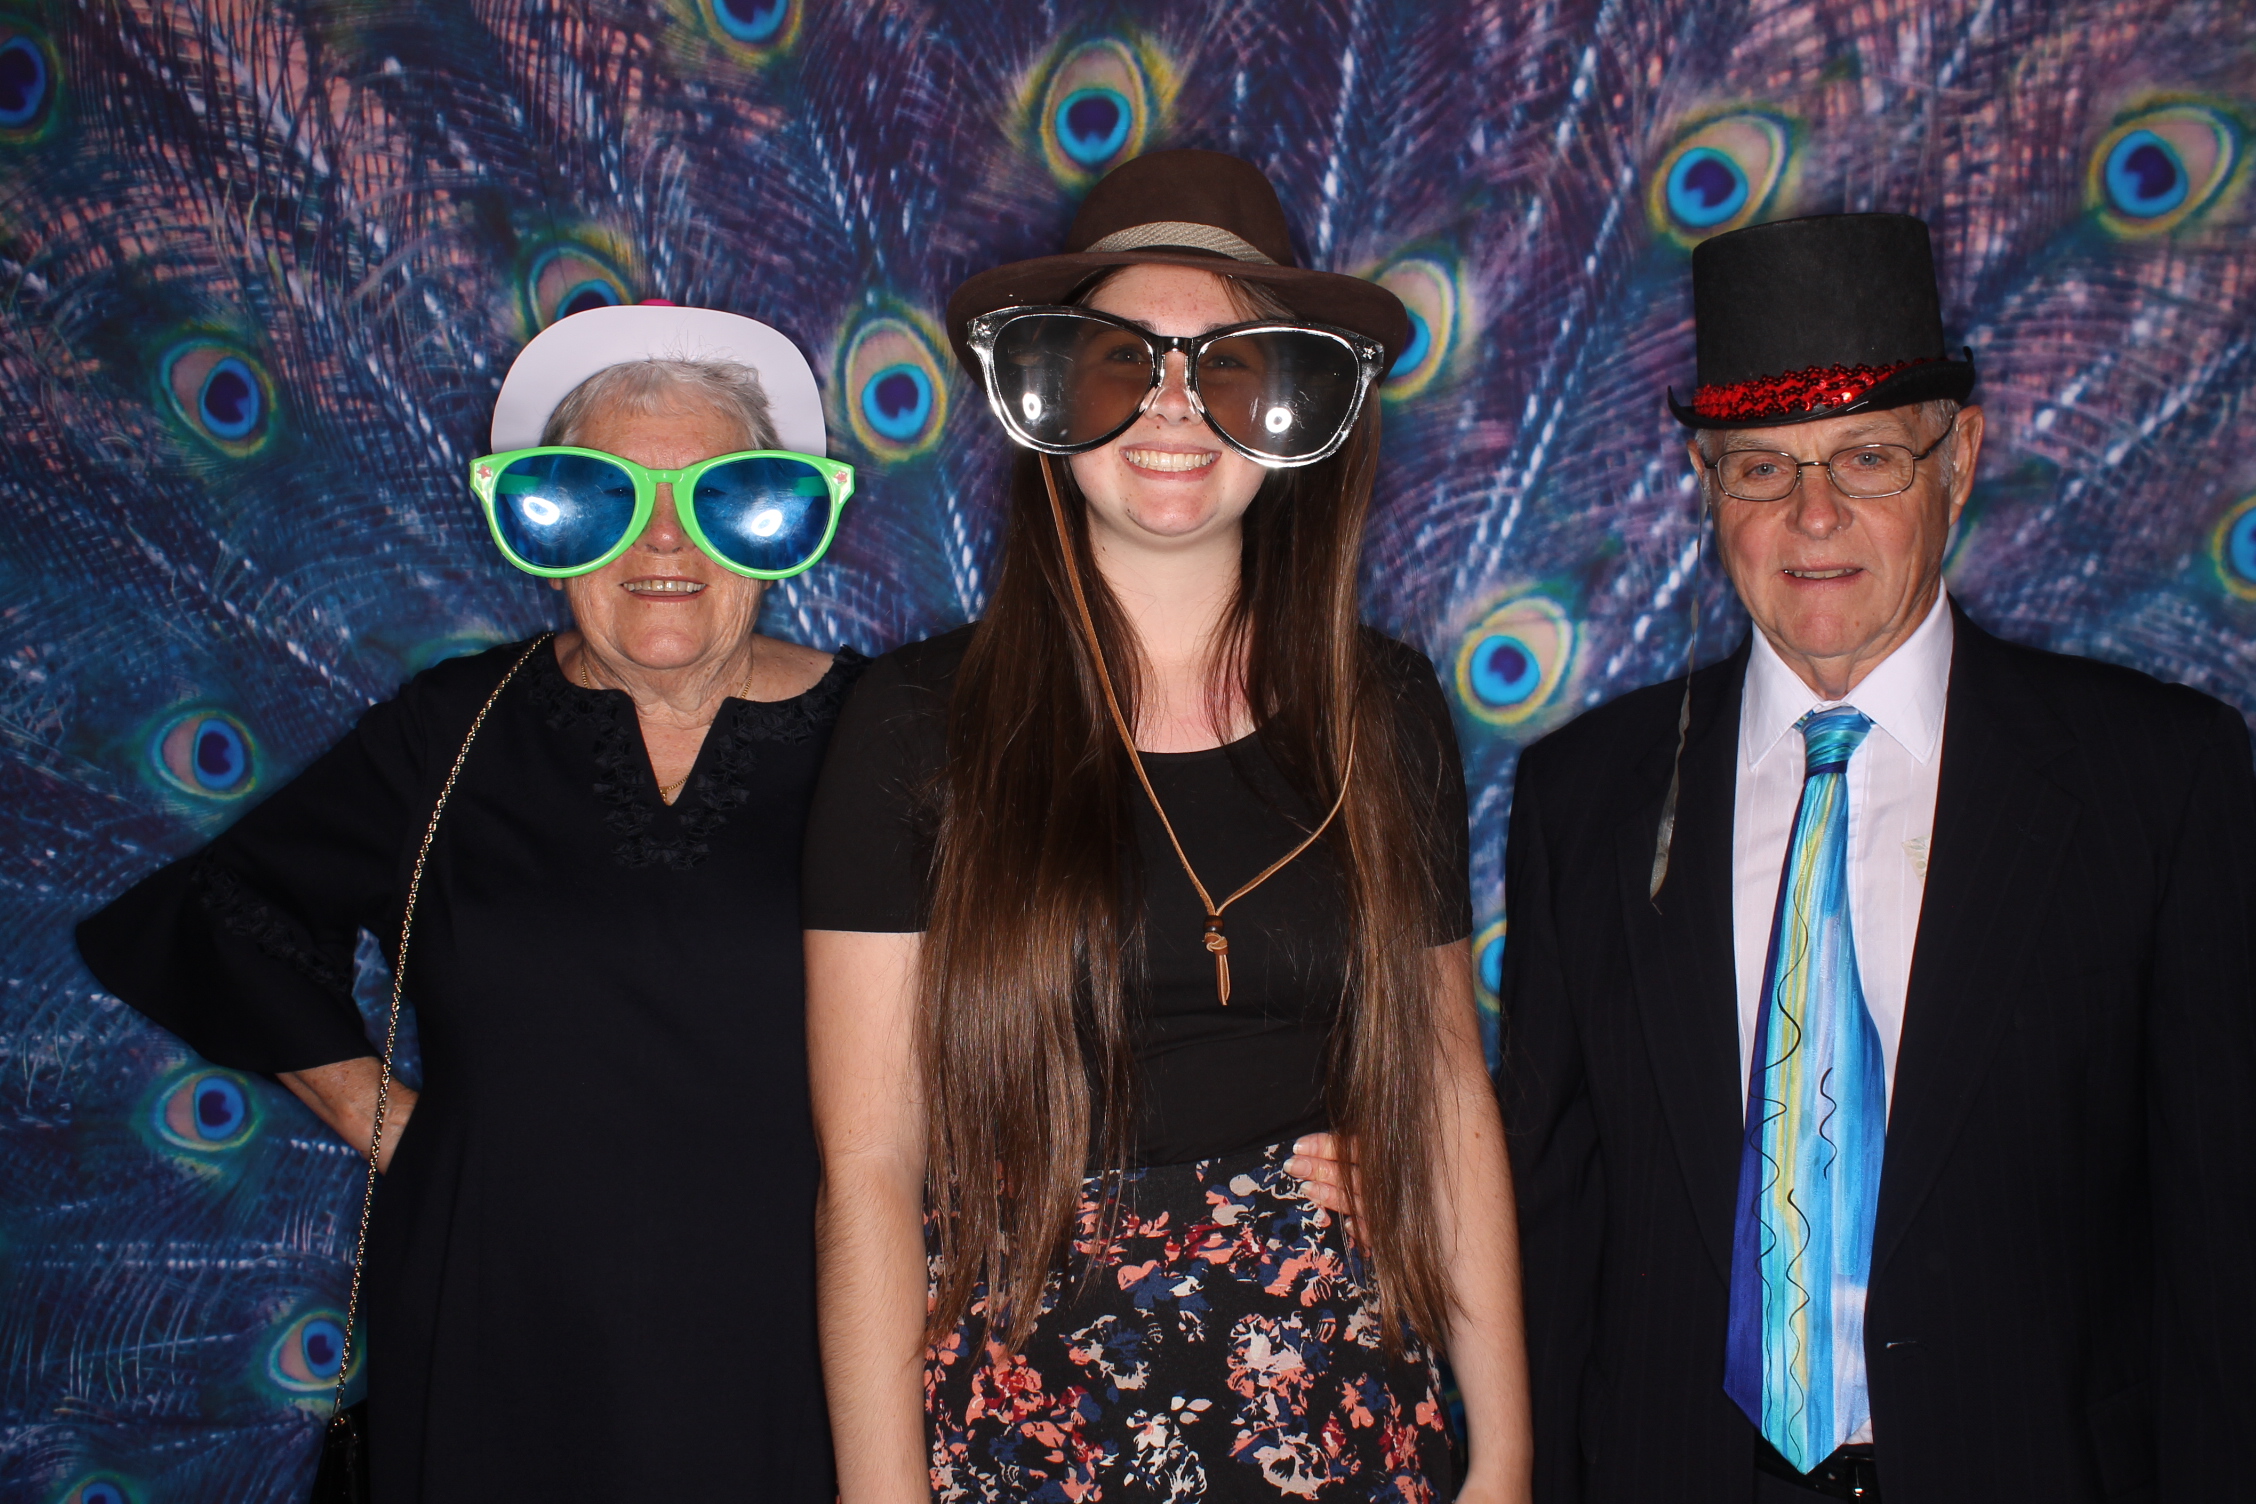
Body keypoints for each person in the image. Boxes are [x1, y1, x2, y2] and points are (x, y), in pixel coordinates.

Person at [802, 149, 1533, 1503]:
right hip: (1029, 1403)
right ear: (1050, 397)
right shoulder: (914, 725)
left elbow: (1444, 1092)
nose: (1174, 408)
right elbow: (869, 1170)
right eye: (1121, 362)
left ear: (1295, 405)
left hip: (1337, 1395)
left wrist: (1507, 1460)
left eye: (1229, 364)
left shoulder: (1385, 707)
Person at [1496, 214, 2256, 1502]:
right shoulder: (1585, 800)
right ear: (1704, 481)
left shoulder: (2157, 783)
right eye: (1760, 470)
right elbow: (1558, 1238)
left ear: (1958, 457)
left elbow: (2223, 1244)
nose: (1813, 514)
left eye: (1864, 457)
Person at [75, 304, 865, 1500]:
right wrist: (406, 1133)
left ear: (777, 520)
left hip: (793, 1343)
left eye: (719, 492)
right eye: (603, 495)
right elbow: (229, 908)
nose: (663, 538)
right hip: (500, 1330)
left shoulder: (890, 736)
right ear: (544, 520)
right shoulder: (454, 732)